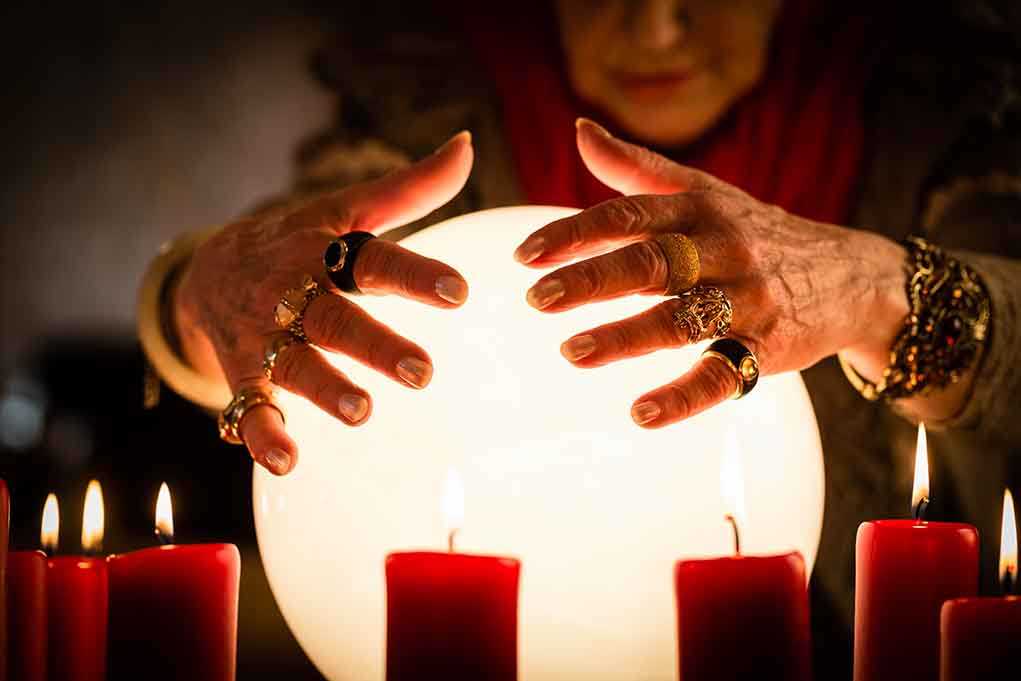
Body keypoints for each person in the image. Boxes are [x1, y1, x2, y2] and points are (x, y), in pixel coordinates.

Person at [137, 0, 1021, 672]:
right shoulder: (432, 96)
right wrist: (197, 294)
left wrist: (886, 294)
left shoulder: (950, 102)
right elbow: (298, 273)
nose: (656, 27)